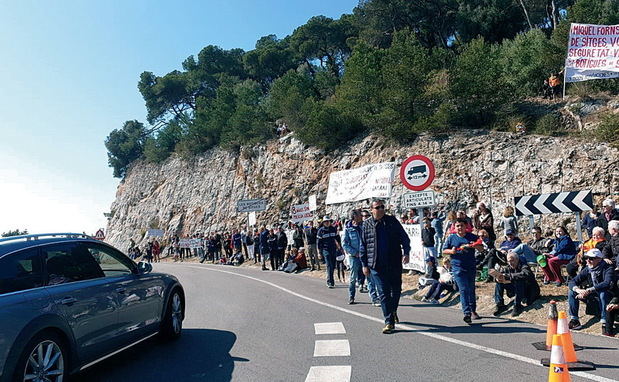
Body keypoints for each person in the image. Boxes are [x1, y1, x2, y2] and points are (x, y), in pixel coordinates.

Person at [360, 199, 411, 334]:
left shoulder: (392, 221)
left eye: (383, 207)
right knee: (383, 293)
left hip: (394, 262)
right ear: (371, 210)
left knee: (396, 290)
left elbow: (405, 238)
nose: (381, 209)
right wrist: (364, 265)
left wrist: (406, 253)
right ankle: (389, 322)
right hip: (376, 265)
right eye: (378, 207)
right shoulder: (366, 225)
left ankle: (393, 310)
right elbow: (363, 246)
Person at [443, 219, 484, 324]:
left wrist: (475, 245)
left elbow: (481, 249)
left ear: (466, 227)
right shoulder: (451, 238)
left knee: (471, 289)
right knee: (463, 289)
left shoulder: (472, 237)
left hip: (470, 266)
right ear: (454, 227)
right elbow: (444, 250)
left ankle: (473, 310)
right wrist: (451, 251)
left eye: (461, 225)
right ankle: (466, 313)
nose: (459, 228)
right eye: (457, 226)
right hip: (457, 267)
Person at [567, 249, 616, 336]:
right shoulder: (588, 269)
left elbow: (606, 283)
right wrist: (579, 290)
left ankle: (605, 321)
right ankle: (574, 320)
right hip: (592, 292)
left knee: (602, 293)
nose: (588, 261)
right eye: (586, 258)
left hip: (608, 294)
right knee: (571, 292)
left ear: (599, 259)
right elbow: (572, 281)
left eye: (591, 258)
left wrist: (589, 290)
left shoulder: (608, 268)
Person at [492, 252, 540, 317]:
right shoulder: (508, 267)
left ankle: (517, 305)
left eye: (512, 261)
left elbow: (525, 274)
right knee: (499, 284)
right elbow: (503, 275)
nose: (510, 263)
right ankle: (500, 304)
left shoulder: (524, 266)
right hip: (518, 290)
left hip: (529, 292)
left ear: (517, 259)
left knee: (519, 280)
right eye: (509, 261)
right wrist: (498, 279)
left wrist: (508, 276)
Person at [344, 209, 363, 304]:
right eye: (359, 215)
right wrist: (355, 253)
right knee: (352, 278)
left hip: (364, 255)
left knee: (371, 277)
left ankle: (374, 298)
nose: (361, 216)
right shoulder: (348, 228)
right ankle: (351, 296)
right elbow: (345, 244)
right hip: (354, 257)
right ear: (354, 216)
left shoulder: (364, 226)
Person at [317, 216, 342, 288]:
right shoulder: (320, 231)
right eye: (325, 221)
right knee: (329, 265)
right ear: (323, 223)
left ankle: (332, 280)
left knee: (333, 266)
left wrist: (339, 247)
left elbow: (338, 238)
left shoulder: (333, 229)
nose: (327, 223)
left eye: (328, 221)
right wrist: (319, 252)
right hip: (326, 250)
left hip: (333, 249)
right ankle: (329, 281)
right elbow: (318, 242)